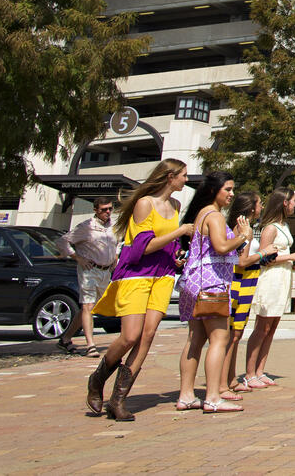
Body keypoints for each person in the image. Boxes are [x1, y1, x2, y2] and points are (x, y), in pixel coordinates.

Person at [86, 159, 195, 421]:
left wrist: (176, 255)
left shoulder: (176, 205)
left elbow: (164, 245)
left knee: (147, 336)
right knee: (130, 337)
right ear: (170, 177)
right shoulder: (145, 204)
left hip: (163, 276)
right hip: (136, 277)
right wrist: (179, 231)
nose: (186, 180)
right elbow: (142, 248)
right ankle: (97, 378)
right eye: (183, 175)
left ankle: (118, 400)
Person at [175, 171, 252, 413]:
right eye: (227, 189)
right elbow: (220, 247)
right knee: (220, 339)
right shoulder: (215, 216)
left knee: (195, 339)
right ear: (213, 191)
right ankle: (212, 397)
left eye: (232, 189)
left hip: (193, 282)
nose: (231, 194)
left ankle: (186, 395)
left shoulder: (201, 214)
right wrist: (242, 237)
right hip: (212, 284)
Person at [243, 189, 295, 388]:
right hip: (270, 279)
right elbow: (264, 257)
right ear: (284, 203)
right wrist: (290, 257)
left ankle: (261, 370)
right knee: (262, 327)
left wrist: (291, 262)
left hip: (283, 278)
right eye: (293, 201)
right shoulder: (270, 228)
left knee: (272, 328)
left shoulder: (284, 226)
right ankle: (250, 372)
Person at [56, 197, 119, 357]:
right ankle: (90, 344)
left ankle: (66, 338)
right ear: (96, 210)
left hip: (106, 271)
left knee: (91, 307)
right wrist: (77, 257)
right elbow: (63, 241)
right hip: (89, 270)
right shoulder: (87, 226)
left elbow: (116, 243)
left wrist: (115, 258)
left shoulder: (113, 226)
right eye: (104, 209)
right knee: (88, 306)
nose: (107, 212)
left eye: (110, 209)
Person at [222, 190, 264, 398]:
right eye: (259, 203)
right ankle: (223, 382)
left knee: (236, 335)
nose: (262, 207)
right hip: (238, 282)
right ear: (250, 207)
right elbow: (241, 260)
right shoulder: (242, 227)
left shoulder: (247, 227)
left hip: (247, 283)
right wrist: (263, 254)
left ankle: (230, 378)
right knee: (231, 335)